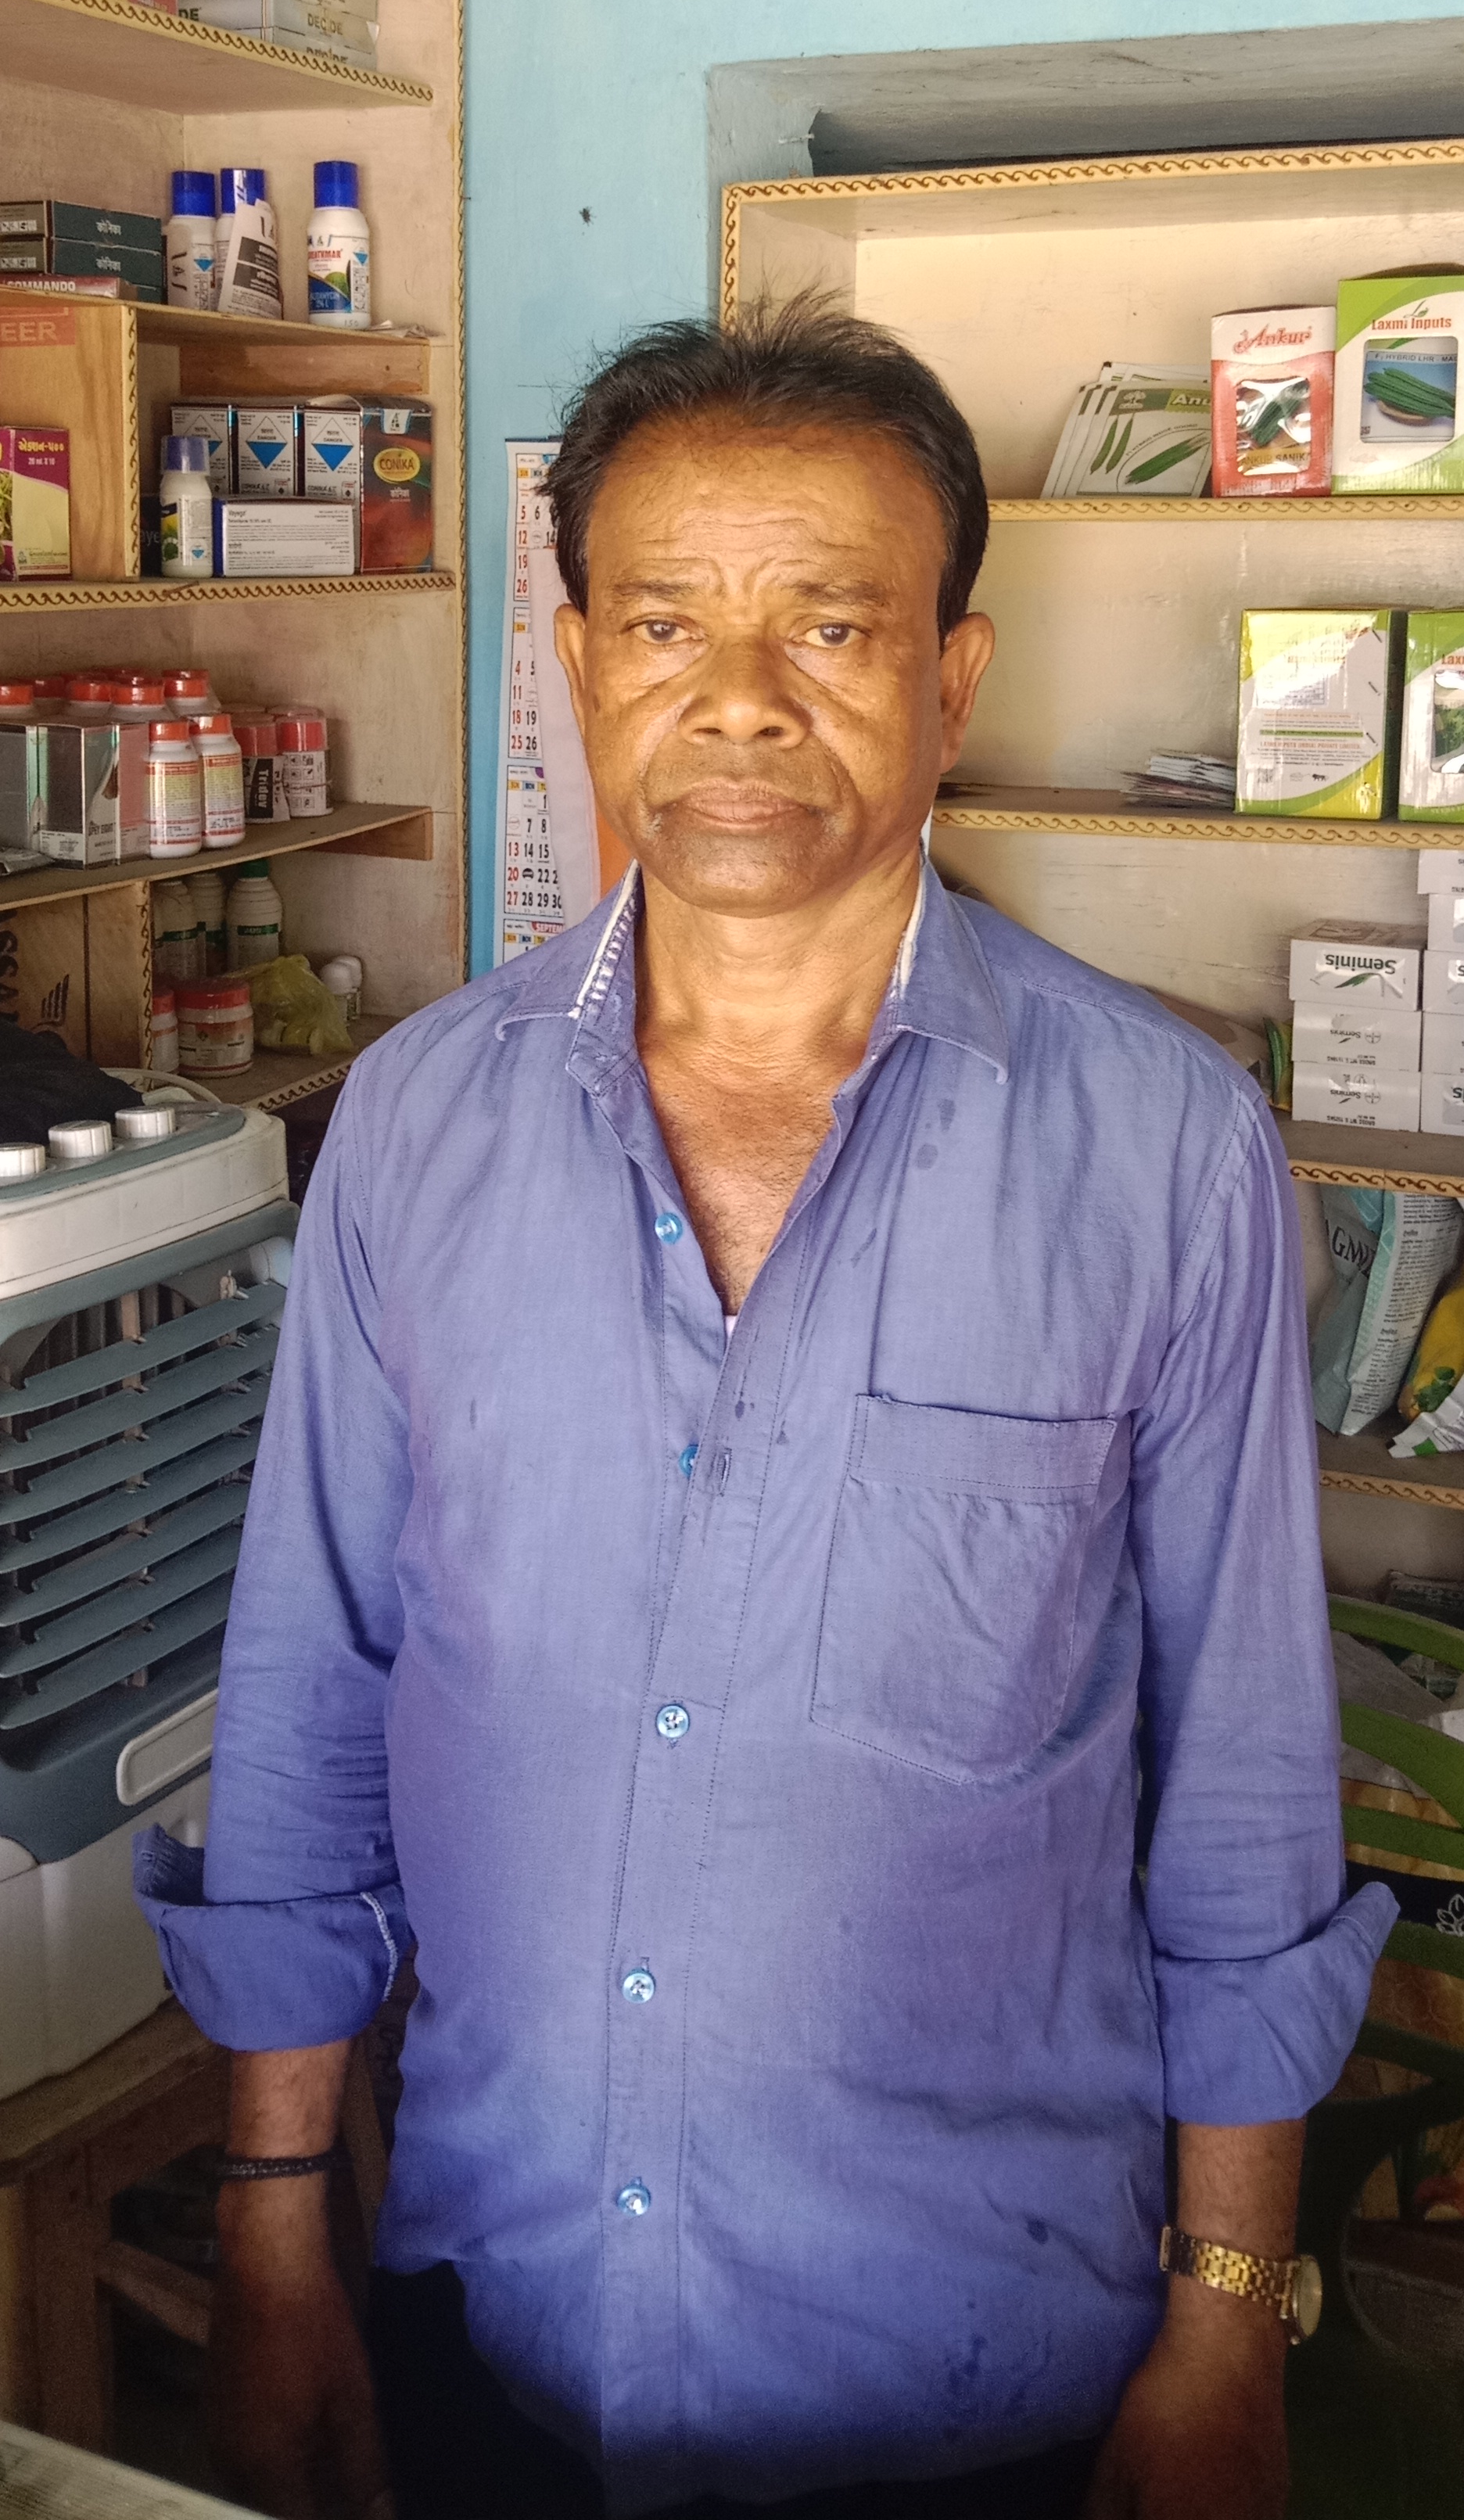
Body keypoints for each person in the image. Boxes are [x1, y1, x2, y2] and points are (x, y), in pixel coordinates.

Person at [138, 302, 1394, 2520]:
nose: (738, 698)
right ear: (575, 667)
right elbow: (318, 1678)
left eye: (830, 623)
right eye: (662, 625)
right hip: (494, 2317)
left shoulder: (1160, 1147)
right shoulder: (414, 1124)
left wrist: (1228, 2308)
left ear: (951, 679)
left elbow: (1245, 1778)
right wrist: (273, 2218)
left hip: (988, 2370)